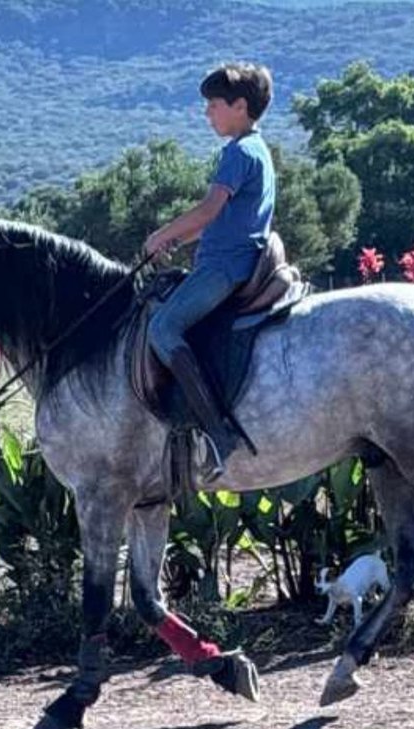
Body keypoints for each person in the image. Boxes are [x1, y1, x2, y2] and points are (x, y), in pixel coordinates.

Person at [143, 62, 276, 482]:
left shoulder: (238, 153)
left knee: (162, 330)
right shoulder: (257, 149)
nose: (207, 114)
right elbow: (219, 222)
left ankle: (218, 432)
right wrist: (178, 242)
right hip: (227, 258)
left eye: (213, 105)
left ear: (239, 106)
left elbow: (209, 210)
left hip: (225, 267)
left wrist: (158, 234)